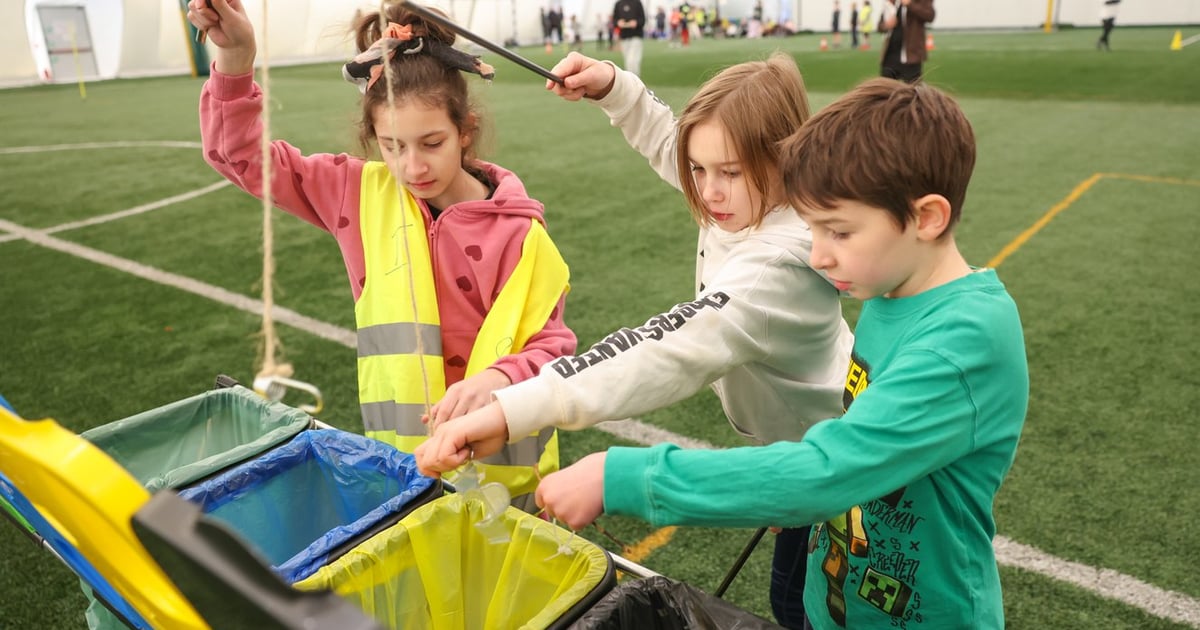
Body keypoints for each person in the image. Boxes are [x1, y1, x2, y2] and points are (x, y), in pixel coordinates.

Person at [498, 77, 1030, 629]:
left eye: (838, 232)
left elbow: (827, 471)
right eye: (813, 228)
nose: (818, 255)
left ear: (926, 218)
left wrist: (620, 476)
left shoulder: (962, 343)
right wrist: (784, 489)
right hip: (838, 595)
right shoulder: (891, 289)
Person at [417, 51, 853, 629]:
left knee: (807, 608)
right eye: (699, 170)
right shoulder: (743, 200)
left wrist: (510, 409)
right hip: (798, 448)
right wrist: (614, 87)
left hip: (835, 461)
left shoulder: (775, 265)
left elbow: (665, 348)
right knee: (792, 597)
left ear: (780, 160)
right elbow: (668, 141)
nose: (708, 190)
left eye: (728, 171)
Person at [186, 0, 575, 512]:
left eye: (431, 142)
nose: (413, 166)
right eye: (392, 146)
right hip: (405, 470)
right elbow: (240, 158)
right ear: (373, 140)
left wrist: (499, 380)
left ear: (466, 131)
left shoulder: (520, 234)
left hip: (508, 478)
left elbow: (555, 347)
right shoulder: (356, 193)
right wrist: (236, 57)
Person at [879, 0, 934, 82]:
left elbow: (929, 16)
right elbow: (880, 26)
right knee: (885, 89)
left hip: (911, 55)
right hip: (891, 55)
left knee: (913, 90)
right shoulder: (893, 2)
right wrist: (886, 25)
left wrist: (910, 4)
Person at [613, 0, 647, 76]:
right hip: (624, 37)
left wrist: (636, 23)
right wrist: (618, 22)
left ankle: (635, 84)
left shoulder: (637, 2)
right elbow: (614, 20)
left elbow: (643, 20)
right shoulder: (618, 4)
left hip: (636, 36)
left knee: (632, 61)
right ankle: (632, 84)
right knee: (627, 62)